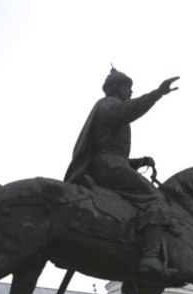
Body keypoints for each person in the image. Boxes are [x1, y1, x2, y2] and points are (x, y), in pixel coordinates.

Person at [64, 67, 180, 279]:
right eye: (128, 87)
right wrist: (157, 93)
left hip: (112, 163)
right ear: (116, 88)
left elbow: (112, 150)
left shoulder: (108, 106)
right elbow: (129, 111)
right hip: (107, 166)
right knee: (155, 198)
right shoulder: (109, 105)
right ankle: (149, 256)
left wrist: (137, 162)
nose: (131, 92)